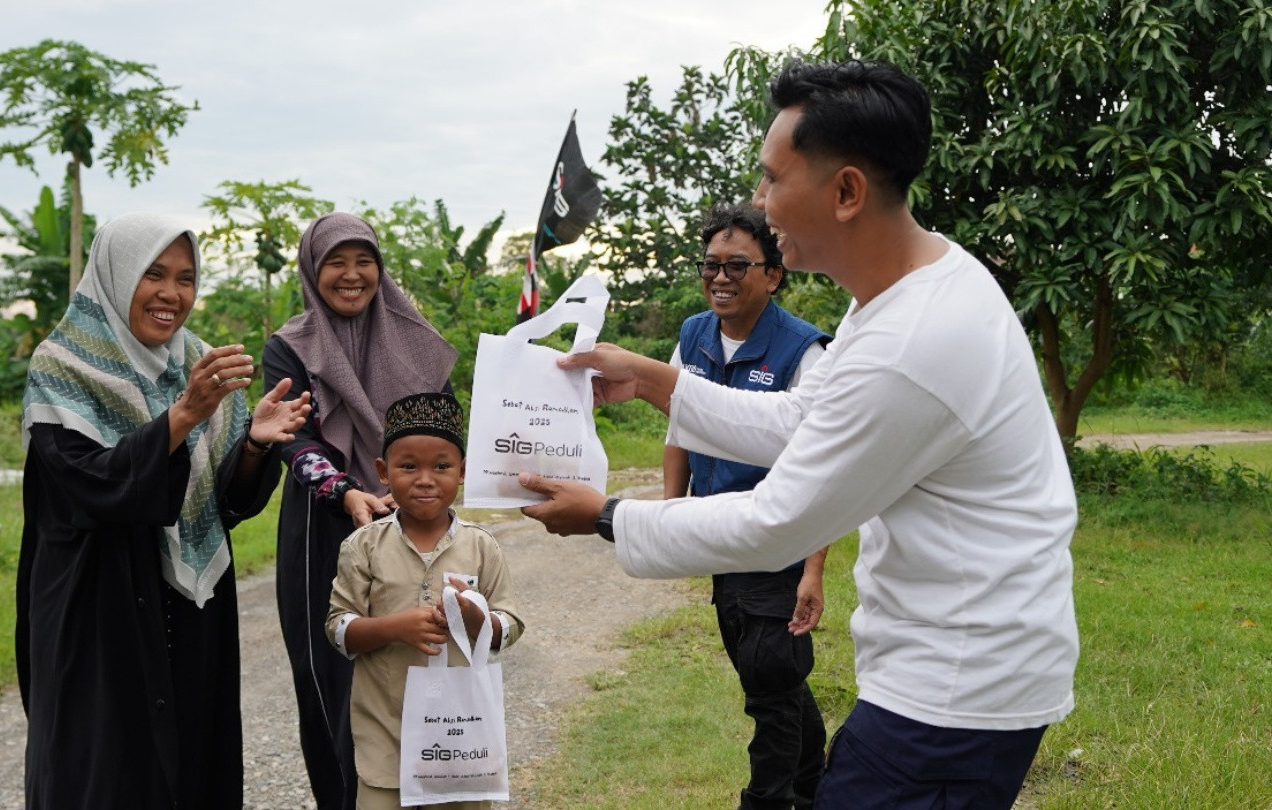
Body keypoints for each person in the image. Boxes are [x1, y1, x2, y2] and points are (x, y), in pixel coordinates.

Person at [519, 58, 1078, 809]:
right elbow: (802, 423)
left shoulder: (916, 338)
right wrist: (655, 378)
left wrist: (606, 515)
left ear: (845, 191)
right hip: (947, 667)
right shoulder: (899, 292)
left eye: (772, 179)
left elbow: (778, 520)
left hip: (955, 688)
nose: (760, 201)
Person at [17, 212, 312, 809]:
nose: (172, 294)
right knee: (108, 767)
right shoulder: (63, 368)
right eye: (153, 274)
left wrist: (253, 443)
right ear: (116, 274)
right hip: (100, 608)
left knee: (194, 759)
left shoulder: (197, 363)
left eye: (185, 278)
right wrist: (181, 417)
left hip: (192, 607)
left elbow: (224, 502)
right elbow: (89, 489)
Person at [263, 211, 459, 810]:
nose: (352, 276)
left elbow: (446, 426)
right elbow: (292, 438)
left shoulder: (414, 340)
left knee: (412, 672)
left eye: (363, 261)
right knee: (331, 683)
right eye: (336, 263)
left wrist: (414, 485)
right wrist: (346, 491)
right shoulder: (288, 346)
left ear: (379, 268)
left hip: (410, 528)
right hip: (322, 533)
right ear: (312, 270)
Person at [664, 202, 830, 810]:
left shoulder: (805, 353)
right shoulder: (694, 334)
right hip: (718, 541)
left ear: (774, 274)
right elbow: (679, 429)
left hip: (777, 548)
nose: (721, 278)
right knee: (770, 677)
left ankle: (767, 801)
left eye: (739, 265)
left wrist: (812, 570)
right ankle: (819, 787)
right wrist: (670, 515)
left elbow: (823, 471)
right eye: (711, 265)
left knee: (769, 692)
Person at [325, 392, 524, 810]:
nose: (425, 479)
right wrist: (393, 628)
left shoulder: (481, 546)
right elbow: (339, 630)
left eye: (442, 466)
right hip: (387, 744)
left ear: (463, 471)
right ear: (383, 471)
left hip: (463, 745)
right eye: (408, 466)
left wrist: (478, 621)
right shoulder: (363, 546)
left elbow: (511, 624)